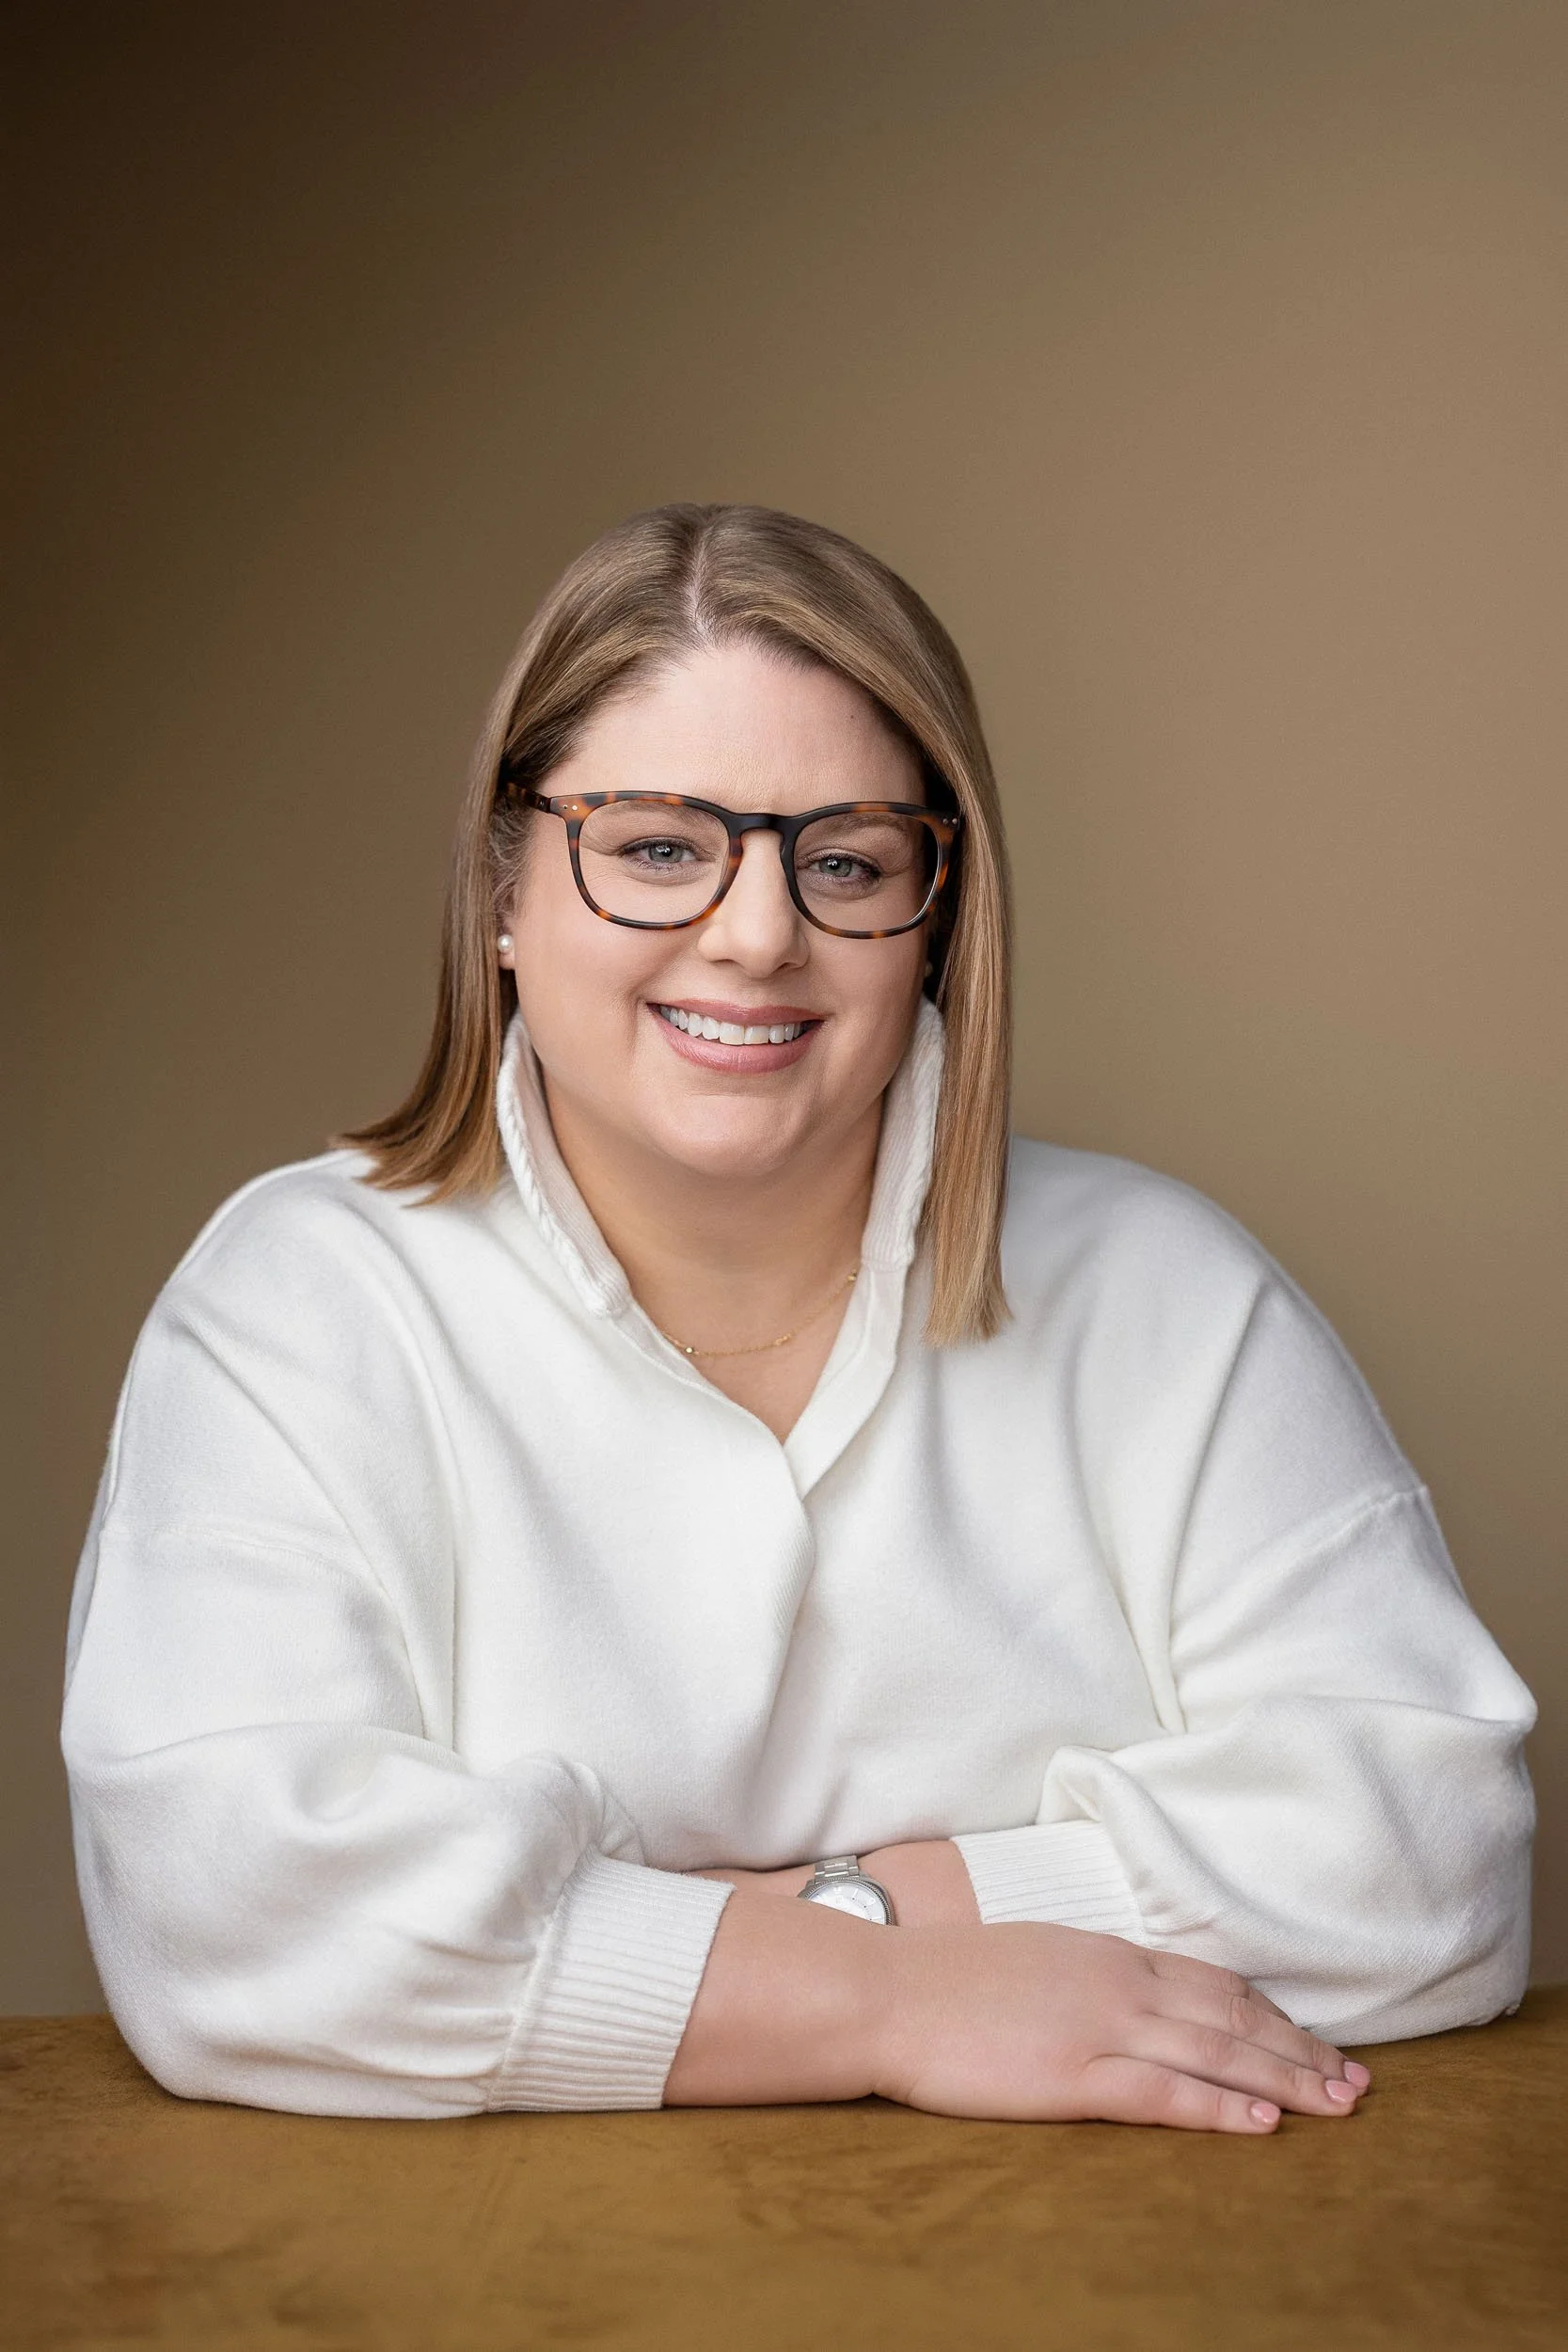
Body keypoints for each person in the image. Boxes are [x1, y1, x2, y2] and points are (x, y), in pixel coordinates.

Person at [62, 503, 1534, 2134]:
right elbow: (228, 1916)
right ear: (500, 892)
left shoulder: (1170, 1290)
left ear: (937, 918)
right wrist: (896, 2001)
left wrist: (844, 1910)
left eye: (843, 861)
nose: (758, 934)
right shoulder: (294, 1303)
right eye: (654, 848)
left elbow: (1430, 1853)